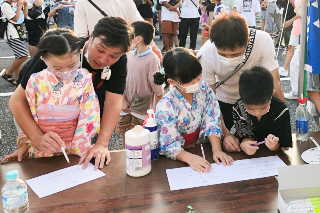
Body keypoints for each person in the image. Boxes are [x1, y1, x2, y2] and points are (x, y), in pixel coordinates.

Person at [11, 17, 132, 170]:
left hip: (81, 126)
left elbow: (113, 102)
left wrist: (102, 144)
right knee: (43, 168)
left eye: (113, 56)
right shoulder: (61, 49)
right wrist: (35, 136)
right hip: (38, 119)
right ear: (91, 35)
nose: (103, 59)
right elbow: (16, 101)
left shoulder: (119, 62)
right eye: (100, 50)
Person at [1, 29, 100, 163]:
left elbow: (89, 114)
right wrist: (28, 142)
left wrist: (82, 147)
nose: (65, 72)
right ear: (43, 59)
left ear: (79, 53)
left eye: (72, 65)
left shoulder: (84, 79)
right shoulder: (35, 81)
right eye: (57, 68)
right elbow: (30, 113)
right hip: (43, 144)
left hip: (73, 145)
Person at [198, 12, 285, 152]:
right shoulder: (206, 54)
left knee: (264, 143)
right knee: (232, 145)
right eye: (222, 54)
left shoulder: (262, 40)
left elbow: (275, 83)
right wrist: (225, 133)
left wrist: (282, 122)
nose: (229, 58)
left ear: (248, 41)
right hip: (223, 101)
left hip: (254, 100)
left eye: (235, 54)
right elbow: (210, 100)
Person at [154, 48, 234, 173]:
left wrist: (217, 150)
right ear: (172, 82)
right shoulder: (165, 107)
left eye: (198, 78)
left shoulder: (204, 89)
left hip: (202, 146)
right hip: (180, 155)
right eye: (191, 82)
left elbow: (212, 117)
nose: (197, 83)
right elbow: (168, 143)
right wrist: (189, 158)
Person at [116, 21, 163, 144]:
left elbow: (157, 89)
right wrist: (122, 100)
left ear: (138, 39)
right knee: (126, 137)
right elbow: (120, 80)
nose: (128, 38)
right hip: (126, 105)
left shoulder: (152, 59)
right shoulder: (129, 55)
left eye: (130, 35)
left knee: (141, 140)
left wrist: (155, 111)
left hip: (143, 108)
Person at [230, 67, 292, 155]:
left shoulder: (281, 111)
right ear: (240, 95)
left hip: (272, 158)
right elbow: (245, 135)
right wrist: (245, 144)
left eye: (263, 108)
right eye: (250, 109)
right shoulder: (238, 107)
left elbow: (282, 145)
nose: (257, 113)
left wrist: (273, 145)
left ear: (272, 93)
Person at [74, 0, 162, 61]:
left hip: (124, 60)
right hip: (101, 60)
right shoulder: (83, 3)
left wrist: (152, 47)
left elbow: (142, 28)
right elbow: (82, 38)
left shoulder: (127, 1)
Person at [0, 0, 28, 85]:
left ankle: (18, 79)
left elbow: (24, 17)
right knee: (24, 55)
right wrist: (19, 6)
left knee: (19, 56)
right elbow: (15, 19)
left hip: (16, 34)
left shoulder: (11, 5)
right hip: (11, 34)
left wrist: (25, 6)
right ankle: (8, 73)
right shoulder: (5, 5)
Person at [278, 0, 301, 78]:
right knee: (290, 46)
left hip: (303, 25)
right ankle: (285, 69)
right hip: (297, 25)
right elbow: (297, 11)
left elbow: (302, 13)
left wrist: (290, 21)